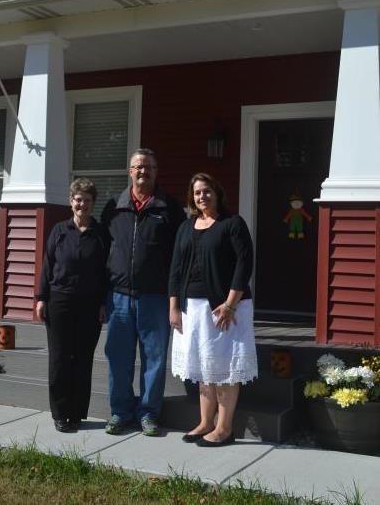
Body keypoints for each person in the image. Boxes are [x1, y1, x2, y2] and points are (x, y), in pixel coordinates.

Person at [169, 172, 258, 447]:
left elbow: (245, 263)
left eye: (207, 191)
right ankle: (206, 422)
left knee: (223, 367)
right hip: (190, 308)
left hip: (224, 307)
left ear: (217, 193)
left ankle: (224, 427)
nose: (202, 196)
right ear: (191, 197)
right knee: (202, 366)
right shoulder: (185, 227)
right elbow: (175, 268)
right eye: (197, 192)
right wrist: (173, 306)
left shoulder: (232, 224)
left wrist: (230, 304)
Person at [102, 148, 186, 436]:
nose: (143, 171)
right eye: (138, 166)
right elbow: (103, 251)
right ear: (130, 171)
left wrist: (176, 297)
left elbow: (180, 256)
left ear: (155, 172)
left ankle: (149, 413)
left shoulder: (169, 209)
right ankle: (120, 412)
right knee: (119, 357)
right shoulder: (114, 206)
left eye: (148, 167)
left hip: (155, 297)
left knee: (154, 358)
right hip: (119, 297)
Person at [36, 178, 110, 433]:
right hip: (60, 301)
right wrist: (41, 298)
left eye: (87, 200)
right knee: (59, 358)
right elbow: (47, 266)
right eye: (78, 200)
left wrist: (103, 303)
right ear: (71, 202)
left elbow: (106, 273)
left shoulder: (101, 234)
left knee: (82, 359)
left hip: (90, 304)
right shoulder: (59, 231)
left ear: (92, 203)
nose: (82, 204)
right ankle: (60, 413)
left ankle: (77, 413)